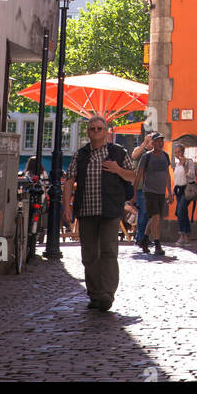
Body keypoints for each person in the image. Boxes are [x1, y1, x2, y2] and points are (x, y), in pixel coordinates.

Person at [62, 114, 135, 311]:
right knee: (89, 254)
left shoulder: (118, 153)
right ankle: (94, 293)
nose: (95, 132)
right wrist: (66, 206)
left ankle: (107, 294)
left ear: (106, 131)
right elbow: (69, 180)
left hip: (110, 209)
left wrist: (117, 169)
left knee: (109, 251)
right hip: (86, 210)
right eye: (92, 129)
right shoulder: (81, 154)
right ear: (88, 132)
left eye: (99, 129)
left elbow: (133, 176)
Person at [133, 132, 174, 258]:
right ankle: (157, 245)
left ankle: (144, 239)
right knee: (155, 216)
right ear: (153, 143)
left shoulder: (165, 156)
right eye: (157, 141)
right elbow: (139, 174)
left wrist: (170, 192)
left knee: (154, 218)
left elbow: (167, 174)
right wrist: (133, 193)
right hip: (149, 191)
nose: (160, 143)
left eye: (162, 141)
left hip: (161, 191)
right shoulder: (147, 157)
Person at [172, 143, 197, 246]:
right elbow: (177, 179)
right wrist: (172, 193)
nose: (177, 154)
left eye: (179, 151)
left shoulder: (189, 162)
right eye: (176, 152)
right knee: (182, 212)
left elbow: (192, 175)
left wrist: (184, 165)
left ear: (183, 152)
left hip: (187, 190)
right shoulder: (177, 164)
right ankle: (185, 237)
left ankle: (183, 235)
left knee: (180, 211)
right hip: (178, 190)